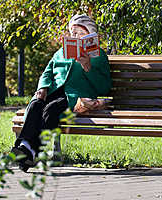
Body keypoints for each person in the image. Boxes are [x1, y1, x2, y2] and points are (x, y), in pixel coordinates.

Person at [11, 14, 112, 172]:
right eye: (72, 33)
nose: (74, 36)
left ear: (89, 34)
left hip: (75, 96)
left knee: (50, 111)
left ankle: (27, 150)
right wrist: (42, 88)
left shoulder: (99, 56)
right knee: (36, 104)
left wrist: (88, 68)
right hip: (53, 91)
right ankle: (27, 149)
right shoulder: (61, 52)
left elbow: (104, 87)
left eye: (79, 32)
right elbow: (47, 71)